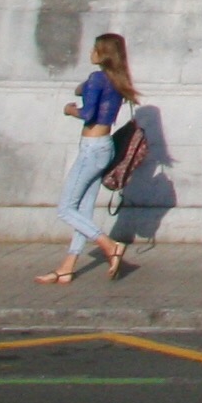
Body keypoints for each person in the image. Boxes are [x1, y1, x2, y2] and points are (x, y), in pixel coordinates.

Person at [42, 31, 138, 283]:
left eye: (95, 48)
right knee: (83, 210)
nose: (90, 52)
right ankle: (67, 267)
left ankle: (109, 245)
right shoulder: (116, 79)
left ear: (103, 53)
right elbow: (86, 91)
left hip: (92, 148)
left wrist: (69, 109)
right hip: (105, 147)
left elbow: (88, 114)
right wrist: (82, 88)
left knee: (66, 208)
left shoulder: (97, 78)